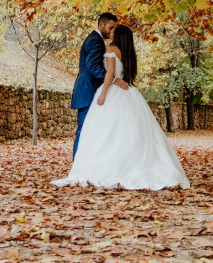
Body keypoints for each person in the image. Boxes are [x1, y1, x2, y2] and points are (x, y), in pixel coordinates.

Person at [54, 24, 190, 190]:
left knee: (104, 132)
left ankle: (104, 167)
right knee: (126, 131)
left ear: (118, 36)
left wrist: (103, 93)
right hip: (128, 93)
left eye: (113, 31)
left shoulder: (112, 49)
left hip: (112, 91)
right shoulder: (128, 53)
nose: (111, 32)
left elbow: (110, 73)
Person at [70, 13, 128, 159]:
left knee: (92, 129)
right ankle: (77, 165)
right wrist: (114, 80)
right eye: (111, 27)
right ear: (101, 24)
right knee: (84, 129)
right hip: (88, 89)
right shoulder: (95, 41)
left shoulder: (98, 41)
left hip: (92, 89)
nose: (112, 31)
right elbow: (92, 67)